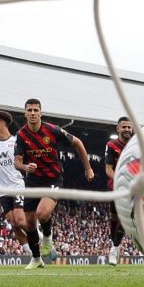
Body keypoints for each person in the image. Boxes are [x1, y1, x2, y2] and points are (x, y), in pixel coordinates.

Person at [14, 98, 94, 269]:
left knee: (42, 214)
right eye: (30, 110)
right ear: (25, 113)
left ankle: (48, 238)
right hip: (32, 181)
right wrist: (25, 166)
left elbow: (78, 142)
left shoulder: (53, 130)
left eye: (36, 110)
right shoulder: (21, 135)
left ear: (41, 113)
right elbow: (17, 162)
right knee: (29, 223)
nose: (33, 113)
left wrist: (88, 168)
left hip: (53, 179)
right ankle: (36, 259)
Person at [0, 111, 32, 257]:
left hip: (17, 186)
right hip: (3, 190)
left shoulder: (16, 142)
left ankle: (43, 239)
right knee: (14, 224)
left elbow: (25, 162)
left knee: (21, 221)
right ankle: (33, 255)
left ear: (3, 123)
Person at [104, 116, 133, 266]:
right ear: (118, 129)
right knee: (114, 218)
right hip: (115, 186)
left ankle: (114, 248)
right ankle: (114, 244)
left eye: (129, 127)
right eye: (124, 127)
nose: (127, 129)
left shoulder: (137, 144)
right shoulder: (112, 145)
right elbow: (108, 169)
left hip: (131, 188)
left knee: (124, 218)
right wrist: (121, 181)